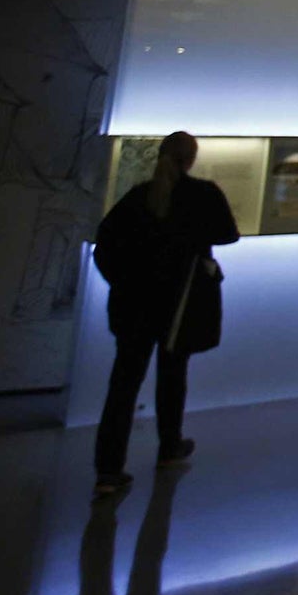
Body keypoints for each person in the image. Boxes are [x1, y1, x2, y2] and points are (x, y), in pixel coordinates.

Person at [91, 132, 239, 500]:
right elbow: (228, 234)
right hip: (180, 306)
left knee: (123, 386)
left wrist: (121, 284)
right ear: (191, 158)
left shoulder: (138, 197)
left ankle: (108, 470)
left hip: (134, 308)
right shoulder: (202, 195)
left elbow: (104, 247)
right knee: (172, 375)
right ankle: (168, 446)